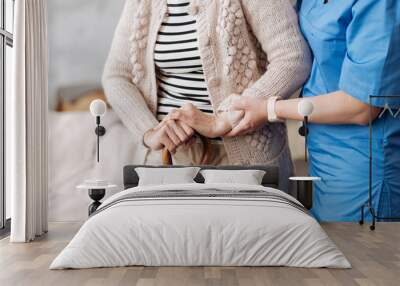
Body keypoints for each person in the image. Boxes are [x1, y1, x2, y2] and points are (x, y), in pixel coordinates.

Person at [102, 0, 311, 192]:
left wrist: (225, 118)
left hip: (245, 160)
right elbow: (117, 75)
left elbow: (293, 58)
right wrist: (149, 131)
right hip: (169, 159)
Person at [219, 0, 400, 221]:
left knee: (360, 249)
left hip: (364, 162)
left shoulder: (380, 4)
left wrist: (270, 108)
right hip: (322, 155)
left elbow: (361, 106)